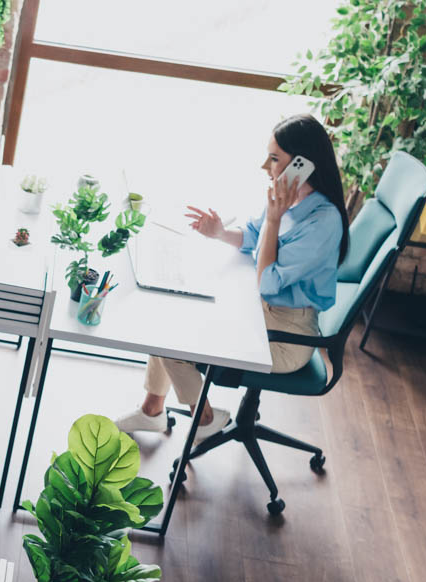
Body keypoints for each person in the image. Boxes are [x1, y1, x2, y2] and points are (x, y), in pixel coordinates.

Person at [114, 114, 349, 444]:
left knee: (171, 337)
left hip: (286, 338)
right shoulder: (290, 200)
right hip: (262, 313)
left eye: (274, 158)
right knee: (171, 311)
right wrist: (221, 232)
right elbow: (254, 235)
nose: (265, 166)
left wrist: (274, 217)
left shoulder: (323, 222)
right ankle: (152, 411)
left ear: (302, 163)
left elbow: (267, 282)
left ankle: (205, 418)